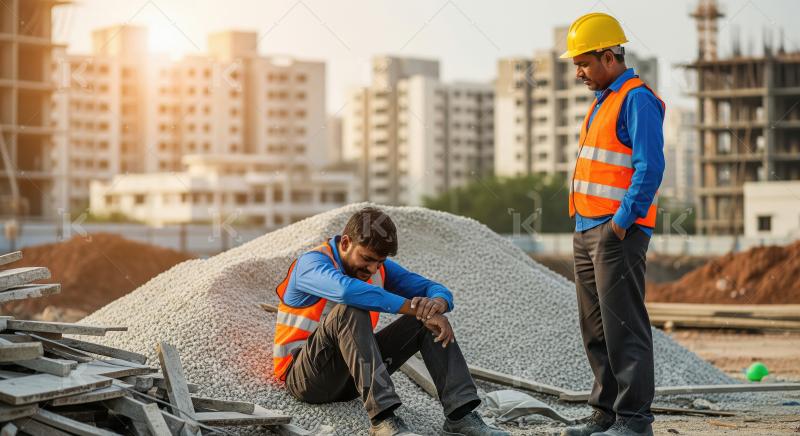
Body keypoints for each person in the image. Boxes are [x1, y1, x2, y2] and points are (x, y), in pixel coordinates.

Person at [272, 207, 508, 436]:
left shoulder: (376, 268)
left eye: (380, 262)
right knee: (352, 308)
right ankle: (383, 421)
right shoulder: (311, 265)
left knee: (426, 323)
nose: (373, 268)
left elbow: (430, 287)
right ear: (345, 243)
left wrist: (437, 304)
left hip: (352, 381)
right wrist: (415, 308)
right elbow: (346, 292)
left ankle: (461, 416)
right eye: (367, 259)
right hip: (305, 379)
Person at [559, 12, 666, 436]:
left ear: (608, 56)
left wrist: (621, 222)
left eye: (584, 64)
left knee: (625, 327)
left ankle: (634, 421)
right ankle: (604, 413)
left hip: (615, 231)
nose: (579, 73)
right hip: (587, 229)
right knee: (596, 326)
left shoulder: (636, 98)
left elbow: (650, 166)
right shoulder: (603, 100)